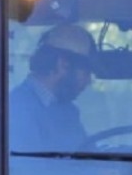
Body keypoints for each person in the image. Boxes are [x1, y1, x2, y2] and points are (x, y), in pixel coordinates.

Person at [9, 24, 100, 153]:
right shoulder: (17, 110)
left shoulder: (67, 111)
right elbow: (29, 169)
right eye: (86, 72)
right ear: (63, 64)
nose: (88, 81)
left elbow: (87, 153)